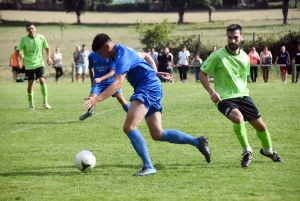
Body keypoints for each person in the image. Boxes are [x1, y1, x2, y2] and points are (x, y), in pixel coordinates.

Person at [83, 33, 211, 176]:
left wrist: (97, 99)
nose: (101, 56)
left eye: (101, 53)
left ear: (107, 46)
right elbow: (145, 56)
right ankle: (198, 142)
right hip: (152, 86)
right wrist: (155, 73)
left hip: (147, 88)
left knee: (129, 127)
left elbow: (118, 83)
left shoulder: (121, 55)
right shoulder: (125, 50)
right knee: (157, 133)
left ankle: (148, 166)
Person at [199, 24, 282, 168]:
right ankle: (247, 151)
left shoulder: (245, 57)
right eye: (230, 38)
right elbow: (202, 74)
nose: (232, 41)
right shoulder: (217, 55)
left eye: (235, 38)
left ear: (241, 38)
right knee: (238, 118)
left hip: (243, 96)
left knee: (261, 127)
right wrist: (212, 91)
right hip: (223, 97)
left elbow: (242, 79)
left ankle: (268, 151)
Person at [79, 51, 130, 121]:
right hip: (98, 83)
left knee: (122, 100)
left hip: (111, 82)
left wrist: (100, 79)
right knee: (90, 99)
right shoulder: (91, 56)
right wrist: (92, 82)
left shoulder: (109, 55)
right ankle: (89, 113)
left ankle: (132, 114)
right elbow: (90, 69)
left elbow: (112, 72)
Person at [16, 23, 52, 110]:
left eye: (32, 28)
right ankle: (31, 104)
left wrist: (49, 57)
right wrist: (19, 62)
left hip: (39, 64)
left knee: (42, 81)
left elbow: (47, 47)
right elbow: (18, 51)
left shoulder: (41, 37)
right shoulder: (24, 39)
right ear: (27, 30)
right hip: (29, 65)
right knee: (30, 85)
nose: (31, 30)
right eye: (29, 29)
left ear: (35, 29)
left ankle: (45, 102)